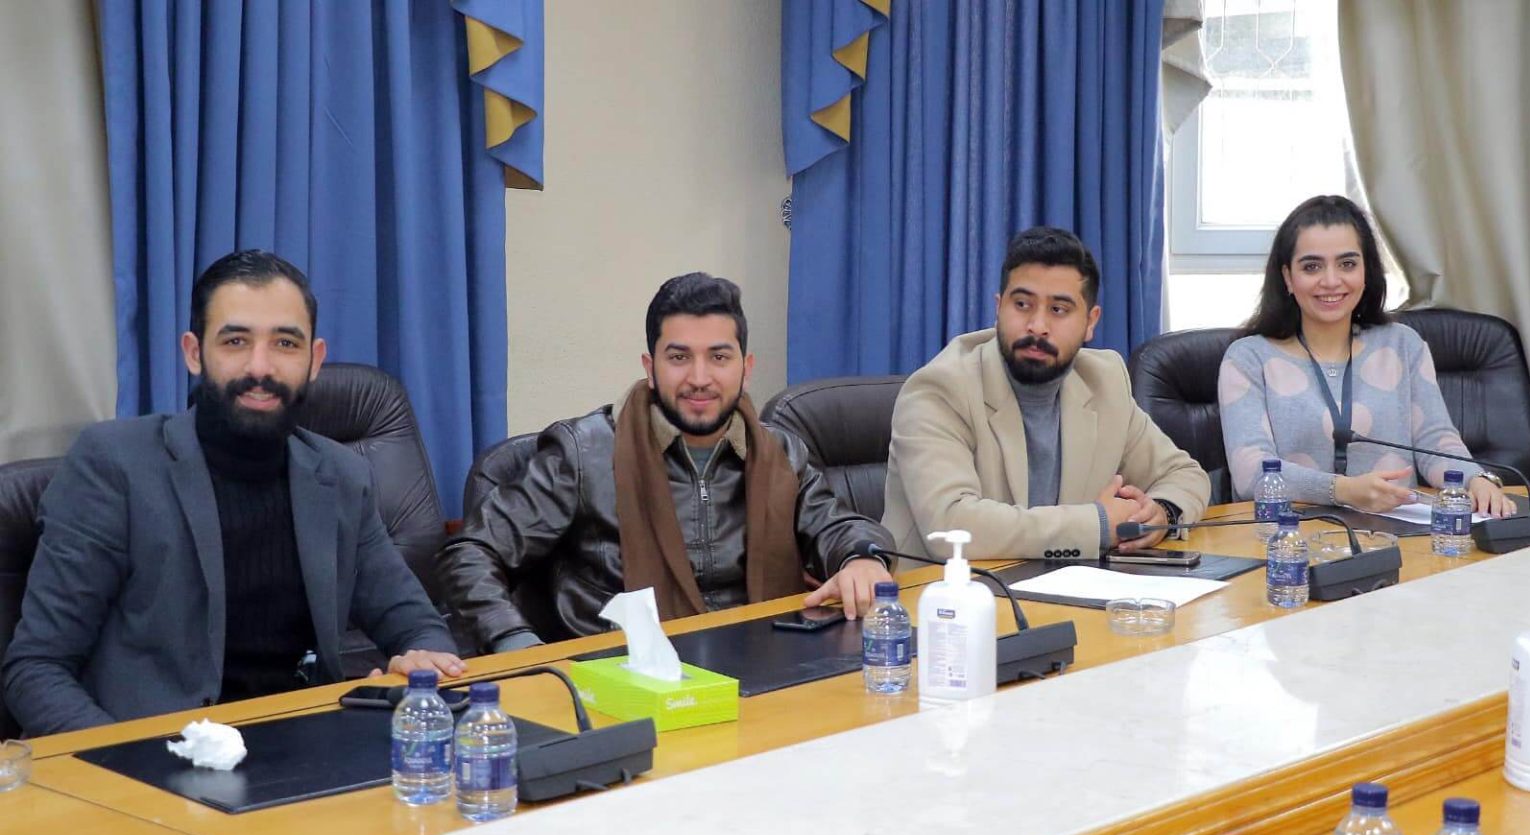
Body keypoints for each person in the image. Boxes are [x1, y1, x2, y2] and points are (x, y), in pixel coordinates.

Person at [3, 250, 462, 736]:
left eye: (285, 343)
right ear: (194, 353)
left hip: (307, 746)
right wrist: (122, 759)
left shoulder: (341, 475)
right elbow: (36, 669)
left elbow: (417, 624)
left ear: (314, 360)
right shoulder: (114, 465)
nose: (260, 367)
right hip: (153, 753)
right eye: (235, 341)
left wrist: (421, 665)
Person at [441, 273, 895, 653]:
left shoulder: (781, 452)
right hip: (621, 680)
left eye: (719, 357)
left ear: (746, 368)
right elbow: (471, 553)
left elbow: (835, 526)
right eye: (679, 357)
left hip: (762, 665)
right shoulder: (582, 454)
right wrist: (514, 640)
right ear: (650, 367)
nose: (699, 378)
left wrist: (862, 557)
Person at [883, 226, 1210, 562]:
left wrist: (1161, 512)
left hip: (1062, 586)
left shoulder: (1104, 381)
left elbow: (1184, 474)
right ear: (998, 308)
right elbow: (951, 526)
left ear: (1090, 322)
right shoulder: (939, 390)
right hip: (948, 590)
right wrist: (1097, 524)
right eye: (1022, 304)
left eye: (1058, 310)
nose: (1037, 326)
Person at [1218, 195, 1517, 516]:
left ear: (1366, 272)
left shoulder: (1403, 344)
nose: (1331, 281)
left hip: (1398, 530)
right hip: (1289, 534)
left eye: (1347, 264)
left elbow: (1435, 440)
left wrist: (1475, 479)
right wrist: (1343, 491)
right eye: (1312, 266)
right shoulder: (1248, 358)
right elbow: (1251, 473)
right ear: (1288, 277)